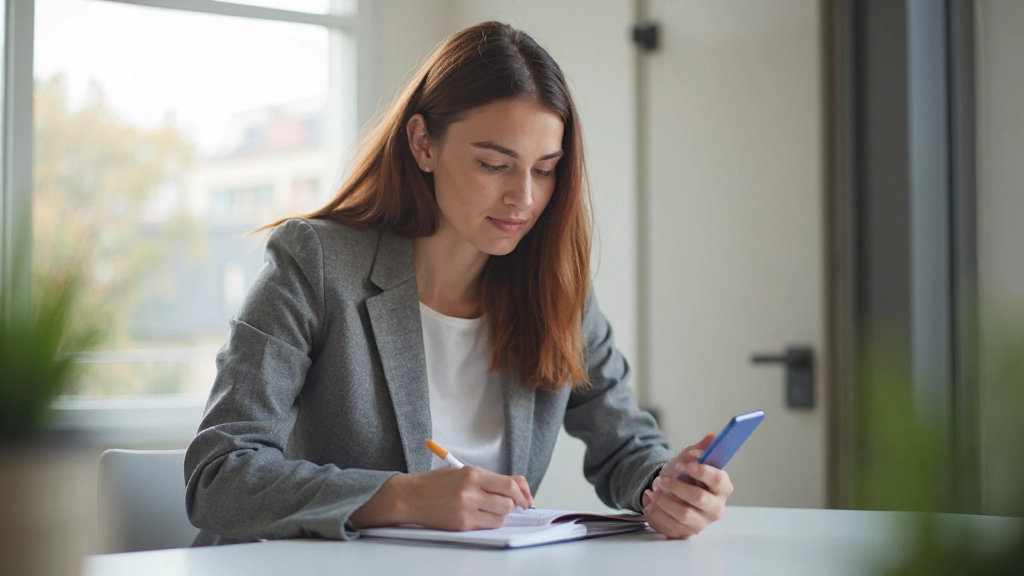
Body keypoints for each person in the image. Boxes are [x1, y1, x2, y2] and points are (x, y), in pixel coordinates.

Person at [184, 21, 733, 546]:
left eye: (545, 169)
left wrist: (664, 487)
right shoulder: (317, 261)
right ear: (423, 143)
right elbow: (219, 475)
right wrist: (403, 497)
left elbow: (626, 443)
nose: (524, 198)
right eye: (494, 165)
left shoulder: (555, 284)